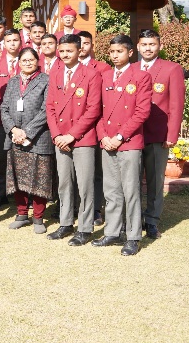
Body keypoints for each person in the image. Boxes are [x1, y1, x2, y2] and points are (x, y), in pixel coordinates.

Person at [93, 34, 152, 256]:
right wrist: (103, 137)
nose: (115, 55)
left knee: (131, 191)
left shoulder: (141, 76)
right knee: (111, 190)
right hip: (107, 142)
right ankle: (112, 231)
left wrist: (119, 136)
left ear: (129, 52)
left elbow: (141, 112)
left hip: (128, 142)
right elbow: (97, 111)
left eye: (119, 51)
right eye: (111, 52)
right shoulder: (105, 76)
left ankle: (134, 236)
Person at [45, 34, 103, 245]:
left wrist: (72, 134)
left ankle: (85, 228)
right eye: (62, 51)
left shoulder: (92, 74)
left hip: (82, 138)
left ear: (80, 51)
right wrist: (57, 134)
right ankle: (65, 222)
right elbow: (50, 106)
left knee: (85, 185)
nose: (65, 54)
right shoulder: (56, 73)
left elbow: (93, 109)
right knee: (64, 183)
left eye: (69, 51)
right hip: (61, 138)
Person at [136, 29, 185, 239]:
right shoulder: (129, 69)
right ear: (137, 47)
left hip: (158, 135)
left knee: (155, 181)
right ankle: (134, 219)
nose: (148, 48)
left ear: (160, 46)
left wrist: (171, 134)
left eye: (152, 44)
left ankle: (152, 221)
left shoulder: (172, 69)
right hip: (133, 134)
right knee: (132, 180)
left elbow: (176, 104)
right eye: (144, 44)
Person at [0, 48, 54, 234]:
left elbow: (47, 109)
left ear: (37, 61)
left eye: (31, 60)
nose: (28, 63)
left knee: (40, 178)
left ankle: (38, 217)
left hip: (38, 138)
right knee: (17, 177)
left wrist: (27, 132)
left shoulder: (46, 80)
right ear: (19, 62)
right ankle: (22, 214)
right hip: (15, 137)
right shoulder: (13, 82)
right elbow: (4, 108)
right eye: (24, 60)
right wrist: (14, 130)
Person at [78, 30, 110, 225]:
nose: (82, 47)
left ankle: (96, 208)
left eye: (86, 43)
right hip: (70, 127)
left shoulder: (102, 68)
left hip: (94, 125)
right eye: (79, 43)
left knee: (95, 171)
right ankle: (74, 207)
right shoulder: (63, 67)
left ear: (92, 45)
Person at [0, 28, 22, 207]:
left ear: (20, 42)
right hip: (1, 119)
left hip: (23, 121)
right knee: (1, 157)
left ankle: (22, 194)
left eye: (15, 40)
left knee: (22, 158)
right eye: (9, 41)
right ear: (4, 43)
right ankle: (1, 193)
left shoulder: (28, 62)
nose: (12, 44)